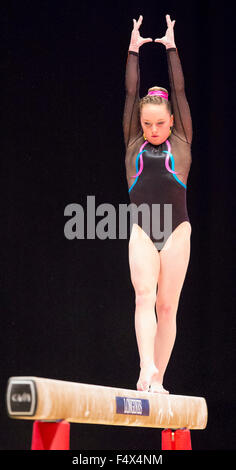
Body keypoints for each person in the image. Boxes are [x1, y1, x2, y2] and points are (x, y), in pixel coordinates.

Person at [123, 14, 192, 393]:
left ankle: (159, 380)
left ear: (171, 123)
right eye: (147, 124)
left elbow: (179, 93)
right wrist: (133, 49)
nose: (152, 131)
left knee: (167, 308)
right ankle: (145, 368)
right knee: (144, 297)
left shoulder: (180, 142)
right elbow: (130, 95)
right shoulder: (133, 142)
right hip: (142, 231)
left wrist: (170, 46)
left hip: (178, 231)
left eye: (159, 124)